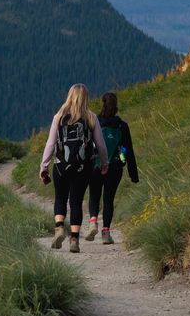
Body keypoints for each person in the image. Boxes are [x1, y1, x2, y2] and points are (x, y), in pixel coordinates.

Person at [38, 83, 108, 252]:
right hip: (83, 167)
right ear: (85, 97)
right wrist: (104, 163)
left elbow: (50, 143)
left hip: (61, 165)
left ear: (69, 96)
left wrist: (44, 166)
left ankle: (60, 227)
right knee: (76, 201)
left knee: (60, 198)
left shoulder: (59, 116)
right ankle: (74, 240)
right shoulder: (91, 117)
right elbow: (100, 144)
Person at [86, 92, 139, 244]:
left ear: (102, 104)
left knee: (94, 195)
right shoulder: (122, 126)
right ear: (116, 107)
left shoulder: (93, 123)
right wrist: (133, 174)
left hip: (95, 165)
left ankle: (93, 222)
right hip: (115, 167)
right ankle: (106, 233)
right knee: (108, 199)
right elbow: (128, 150)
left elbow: (88, 145)